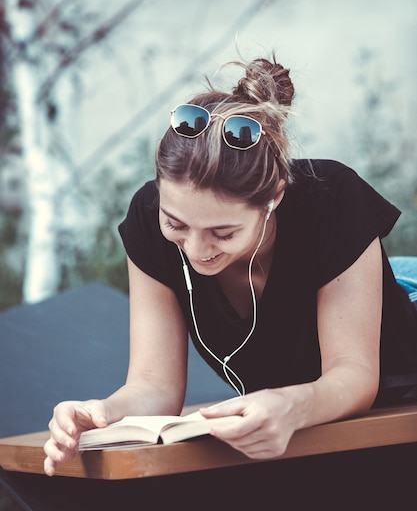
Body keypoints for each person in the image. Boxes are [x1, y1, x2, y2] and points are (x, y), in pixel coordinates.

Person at [43, 56, 417, 477]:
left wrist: (290, 405)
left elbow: (354, 374)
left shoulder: (332, 201)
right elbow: (155, 385)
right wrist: (102, 413)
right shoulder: (148, 221)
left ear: (273, 198)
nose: (197, 249)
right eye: (176, 224)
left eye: (223, 232)